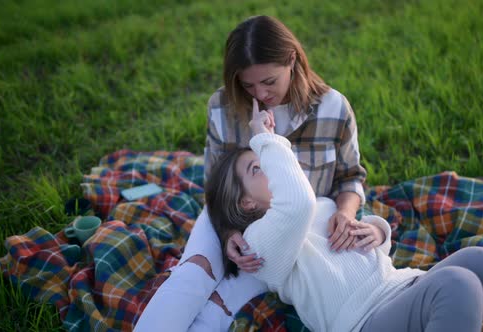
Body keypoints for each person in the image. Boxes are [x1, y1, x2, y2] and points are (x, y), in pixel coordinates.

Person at [204, 102, 483, 332]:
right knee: (458, 285)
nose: (269, 162)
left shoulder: (322, 206)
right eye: (258, 166)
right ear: (247, 204)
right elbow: (296, 203)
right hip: (364, 321)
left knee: (481, 262)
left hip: (399, 287)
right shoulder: (260, 243)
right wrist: (265, 140)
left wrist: (375, 231)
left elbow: (364, 255)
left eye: (266, 157)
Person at [135, 15, 368, 331]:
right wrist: (228, 232)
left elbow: (351, 176)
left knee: (226, 300)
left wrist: (346, 211)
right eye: (248, 84)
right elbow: (215, 182)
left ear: (292, 60)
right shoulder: (222, 105)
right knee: (194, 274)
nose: (259, 94)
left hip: (294, 230)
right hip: (230, 212)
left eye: (269, 81)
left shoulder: (333, 108)